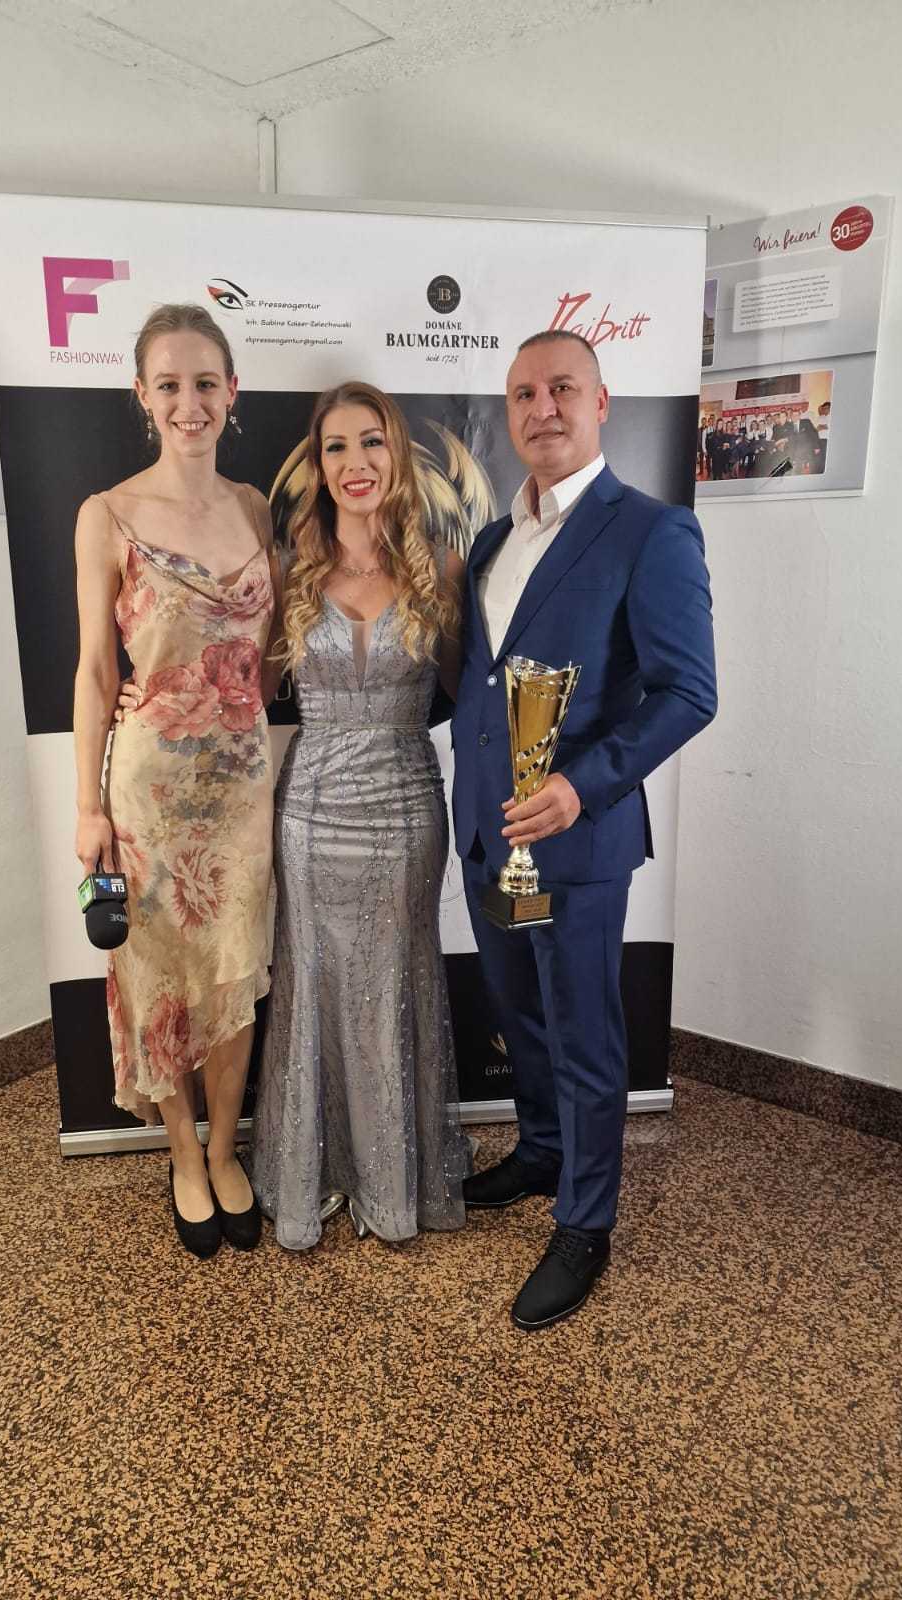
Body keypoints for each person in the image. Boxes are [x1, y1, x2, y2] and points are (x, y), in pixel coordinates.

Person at [452, 330, 716, 1330]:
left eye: (563, 387)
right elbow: (477, 685)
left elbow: (689, 692)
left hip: (578, 838)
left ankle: (585, 1223)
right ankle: (542, 1150)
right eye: (524, 393)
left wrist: (581, 786)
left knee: (585, 1033)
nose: (542, 408)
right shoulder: (490, 541)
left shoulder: (651, 532)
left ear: (601, 403)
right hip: (491, 833)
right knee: (520, 1013)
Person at [73, 302, 277, 1260]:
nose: (188, 403)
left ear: (231, 392)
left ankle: (227, 1149)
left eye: (205, 383)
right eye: (169, 385)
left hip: (243, 790)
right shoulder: (106, 515)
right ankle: (184, 1157)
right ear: (142, 397)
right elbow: (94, 670)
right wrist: (86, 806)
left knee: (234, 968)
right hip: (148, 794)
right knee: (159, 982)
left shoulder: (256, 508)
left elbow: (272, 650)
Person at [247, 381, 471, 1250]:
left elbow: (469, 695)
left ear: (396, 452)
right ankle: (316, 1172)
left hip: (409, 807)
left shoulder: (441, 569)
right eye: (335, 446)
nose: (355, 463)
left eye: (370, 441)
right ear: (317, 463)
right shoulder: (288, 572)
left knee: (398, 983)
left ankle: (395, 1177)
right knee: (312, 984)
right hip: (310, 812)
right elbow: (248, 696)